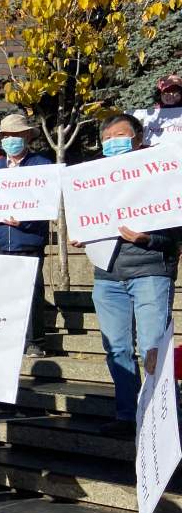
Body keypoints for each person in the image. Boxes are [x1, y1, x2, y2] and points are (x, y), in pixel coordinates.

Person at [87, 114, 181, 436]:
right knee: (117, 350)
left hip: (150, 272)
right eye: (108, 137)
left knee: (153, 350)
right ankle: (127, 416)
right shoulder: (93, 181)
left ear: (138, 139)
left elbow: (175, 234)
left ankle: (162, 422)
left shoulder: (160, 175)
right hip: (107, 277)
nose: (114, 142)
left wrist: (145, 239)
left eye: (121, 135)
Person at [0, 113, 52, 357]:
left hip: (27, 240)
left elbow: (46, 204)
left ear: (28, 136)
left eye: (16, 135)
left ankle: (34, 341)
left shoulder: (42, 165)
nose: (11, 140)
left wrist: (26, 221)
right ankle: (9, 340)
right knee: (4, 294)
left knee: (31, 293)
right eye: (7, 136)